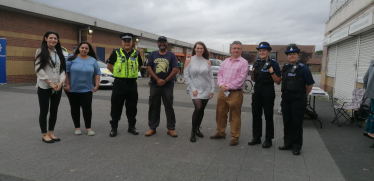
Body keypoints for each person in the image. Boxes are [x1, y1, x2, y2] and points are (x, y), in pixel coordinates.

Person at [210, 41, 249, 146]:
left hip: (235, 93)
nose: (236, 50)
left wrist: (228, 86)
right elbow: (220, 74)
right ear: (231, 50)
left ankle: (235, 136)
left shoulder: (244, 63)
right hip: (223, 92)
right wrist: (221, 84)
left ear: (241, 50)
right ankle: (221, 132)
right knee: (220, 113)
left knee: (235, 115)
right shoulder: (225, 61)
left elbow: (241, 78)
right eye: (234, 48)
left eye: (238, 48)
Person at [279, 45, 314, 155]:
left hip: (298, 99)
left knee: (297, 123)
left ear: (298, 55)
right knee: (287, 122)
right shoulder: (285, 68)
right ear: (287, 56)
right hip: (286, 98)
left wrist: (302, 95)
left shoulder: (304, 69)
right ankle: (287, 143)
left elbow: (309, 84)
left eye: (294, 54)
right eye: (289, 54)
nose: (291, 56)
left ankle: (296, 146)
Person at [106, 33, 142, 137]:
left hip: (132, 84)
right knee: (116, 106)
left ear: (132, 43)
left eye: (129, 41)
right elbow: (109, 66)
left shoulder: (136, 53)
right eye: (125, 41)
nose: (127, 43)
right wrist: (117, 74)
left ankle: (131, 127)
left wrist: (132, 74)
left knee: (132, 107)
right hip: (119, 84)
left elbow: (139, 67)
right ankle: (114, 128)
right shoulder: (116, 53)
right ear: (122, 42)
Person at [35, 31, 66, 143]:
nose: (53, 40)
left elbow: (63, 69)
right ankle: (44, 134)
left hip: (57, 86)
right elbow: (39, 69)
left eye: (55, 38)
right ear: (46, 39)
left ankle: (51, 132)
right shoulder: (40, 51)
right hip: (44, 86)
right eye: (51, 38)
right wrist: (51, 83)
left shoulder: (59, 53)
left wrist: (61, 82)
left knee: (54, 110)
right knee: (44, 110)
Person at [248, 42, 281, 148]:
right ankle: (256, 137)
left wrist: (271, 72)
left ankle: (268, 139)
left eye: (264, 50)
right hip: (257, 89)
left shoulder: (273, 63)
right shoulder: (256, 63)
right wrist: (252, 73)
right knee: (256, 114)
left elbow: (278, 81)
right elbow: (253, 79)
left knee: (268, 115)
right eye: (260, 50)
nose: (261, 52)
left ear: (269, 52)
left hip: (268, 90)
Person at [64, 42, 101, 136]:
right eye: (82, 48)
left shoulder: (92, 60)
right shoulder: (71, 58)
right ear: (79, 48)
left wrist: (97, 85)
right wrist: (67, 84)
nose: (84, 50)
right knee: (74, 108)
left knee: (87, 109)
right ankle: (77, 127)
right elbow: (66, 72)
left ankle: (88, 128)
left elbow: (97, 73)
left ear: (89, 50)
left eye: (86, 48)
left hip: (87, 89)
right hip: (72, 89)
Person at [145, 36, 179, 137]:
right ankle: (152, 127)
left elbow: (175, 69)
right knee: (153, 106)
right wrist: (157, 79)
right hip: (155, 85)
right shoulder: (153, 54)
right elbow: (149, 67)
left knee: (169, 106)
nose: (162, 44)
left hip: (168, 85)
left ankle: (170, 128)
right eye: (160, 42)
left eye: (164, 42)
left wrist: (165, 80)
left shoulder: (172, 55)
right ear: (157, 43)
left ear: (167, 43)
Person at [184, 41, 215, 142]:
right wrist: (193, 88)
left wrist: (212, 89)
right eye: (198, 48)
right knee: (198, 107)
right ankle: (193, 131)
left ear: (204, 50)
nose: (199, 50)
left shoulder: (207, 62)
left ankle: (198, 128)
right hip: (195, 90)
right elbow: (186, 76)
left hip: (206, 89)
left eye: (201, 48)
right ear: (194, 49)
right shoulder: (189, 60)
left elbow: (211, 77)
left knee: (201, 110)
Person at [363, 58, 374, 140]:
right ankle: (371, 132)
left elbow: (365, 78)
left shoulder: (372, 64)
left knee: (372, 111)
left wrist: (368, 90)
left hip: (370, 92)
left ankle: (367, 130)